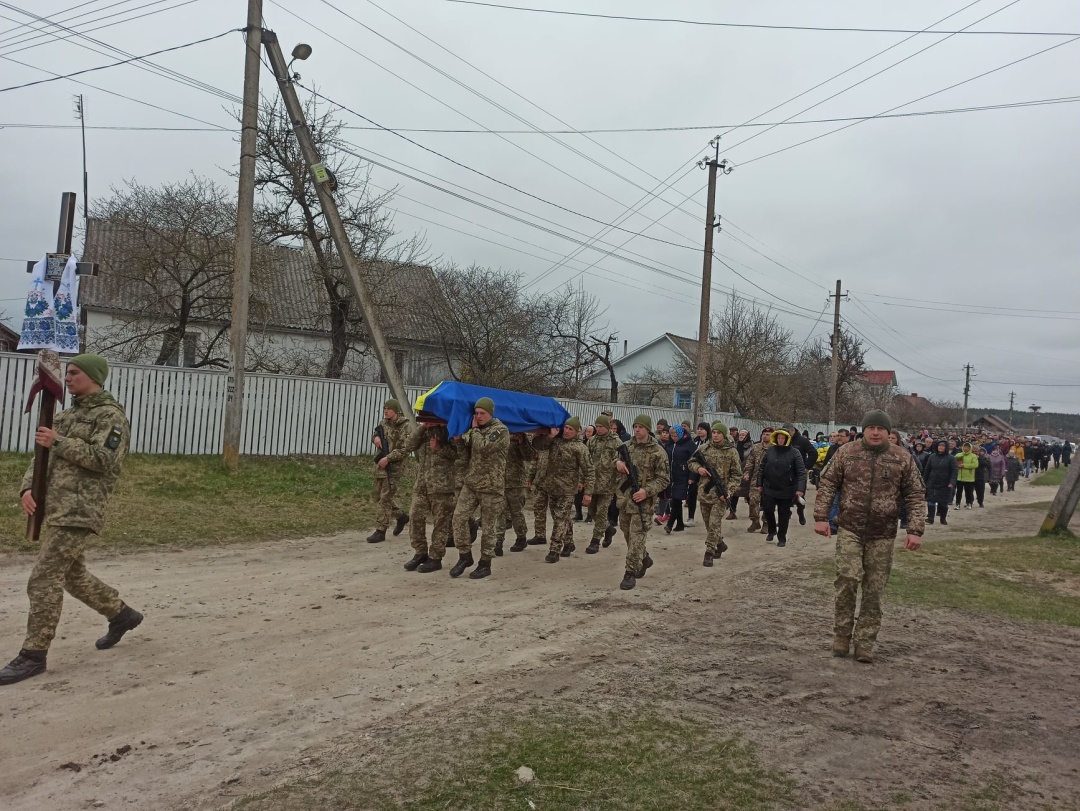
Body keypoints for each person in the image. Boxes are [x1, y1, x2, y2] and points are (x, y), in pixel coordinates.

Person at [2, 354, 142, 686]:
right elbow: (41, 456)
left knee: (43, 578)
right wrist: (26, 488)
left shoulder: (111, 417)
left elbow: (103, 459)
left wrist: (59, 442)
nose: (67, 378)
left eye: (75, 373)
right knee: (72, 575)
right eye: (67, 373)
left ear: (93, 376)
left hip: (80, 508)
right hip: (55, 507)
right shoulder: (64, 415)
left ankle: (33, 655)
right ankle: (121, 615)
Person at [814, 410, 926, 664]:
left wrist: (915, 529)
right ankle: (841, 636)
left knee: (874, 590)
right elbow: (828, 483)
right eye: (871, 428)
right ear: (863, 430)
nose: (876, 432)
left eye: (881, 429)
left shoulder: (901, 458)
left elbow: (916, 494)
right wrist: (821, 517)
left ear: (889, 432)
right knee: (847, 579)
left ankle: (865, 642)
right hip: (850, 528)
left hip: (883, 534)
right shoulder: (847, 453)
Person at [449, 397, 509, 579]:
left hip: (491, 487)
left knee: (488, 527)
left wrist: (473, 429)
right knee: (458, 518)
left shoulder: (500, 431)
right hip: (472, 484)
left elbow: (483, 447)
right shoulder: (475, 431)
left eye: (482, 413)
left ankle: (485, 563)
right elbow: (466, 455)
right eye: (476, 413)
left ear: (491, 413)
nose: (478, 416)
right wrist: (459, 441)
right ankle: (465, 556)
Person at [614, 415, 670, 591]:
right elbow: (614, 459)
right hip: (625, 500)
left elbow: (664, 479)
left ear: (648, 429)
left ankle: (630, 573)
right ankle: (644, 558)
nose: (637, 430)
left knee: (637, 537)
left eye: (640, 427)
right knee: (627, 534)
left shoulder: (658, 452)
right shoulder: (626, 447)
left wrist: (646, 491)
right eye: (635, 426)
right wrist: (618, 463)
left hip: (643, 503)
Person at [531, 417, 595, 561]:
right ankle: (569, 543)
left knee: (559, 518)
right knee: (562, 517)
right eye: (565, 428)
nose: (566, 431)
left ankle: (554, 549)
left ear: (577, 431)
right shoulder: (555, 441)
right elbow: (537, 445)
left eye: (570, 429)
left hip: (567, 489)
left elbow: (589, 471)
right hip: (551, 487)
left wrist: (588, 493)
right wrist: (551, 435)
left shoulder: (580, 448)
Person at [403, 422, 459, 572]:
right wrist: (423, 427)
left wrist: (440, 447)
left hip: (442, 486)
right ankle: (420, 552)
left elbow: (459, 453)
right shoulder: (424, 431)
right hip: (422, 484)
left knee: (441, 523)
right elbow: (408, 445)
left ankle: (435, 558)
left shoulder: (450, 429)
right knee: (415, 516)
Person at [688, 422, 743, 566]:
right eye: (714, 432)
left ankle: (709, 552)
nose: (716, 435)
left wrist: (729, 491)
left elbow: (737, 475)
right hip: (705, 492)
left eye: (719, 432)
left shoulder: (731, 452)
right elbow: (691, 462)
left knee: (714, 523)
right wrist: (698, 468)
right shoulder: (704, 448)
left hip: (721, 495)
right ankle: (720, 544)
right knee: (708, 524)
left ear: (724, 435)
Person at [368, 399, 412, 544]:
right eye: (384, 408)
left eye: (389, 408)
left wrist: (389, 458)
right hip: (381, 465)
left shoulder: (405, 426)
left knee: (385, 498)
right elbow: (376, 432)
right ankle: (401, 517)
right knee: (378, 496)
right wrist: (375, 438)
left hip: (394, 468)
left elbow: (405, 449)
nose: (386, 411)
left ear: (396, 410)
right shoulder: (383, 423)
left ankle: (380, 530)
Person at [755, 428, 807, 547]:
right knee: (767, 510)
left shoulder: (795, 452)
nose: (780, 440)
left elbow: (800, 472)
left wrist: (800, 489)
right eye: (778, 438)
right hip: (769, 486)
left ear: (787, 439)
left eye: (783, 438)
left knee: (784, 514)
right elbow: (762, 467)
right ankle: (772, 529)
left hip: (786, 488)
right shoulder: (770, 451)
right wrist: (759, 483)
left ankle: (782, 537)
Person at [584, 415, 622, 554]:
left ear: (607, 427)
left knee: (601, 512)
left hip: (607, 485)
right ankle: (608, 529)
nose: (598, 429)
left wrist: (617, 483)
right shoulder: (592, 441)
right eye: (597, 426)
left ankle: (595, 541)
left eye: (601, 427)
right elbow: (586, 461)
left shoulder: (616, 442)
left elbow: (620, 462)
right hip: (593, 483)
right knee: (592, 511)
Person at [500, 432, 536, 555]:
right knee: (499, 512)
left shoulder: (519, 435)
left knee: (516, 512)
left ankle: (521, 538)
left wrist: (522, 441)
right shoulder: (497, 433)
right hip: (499, 480)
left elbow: (530, 456)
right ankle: (498, 542)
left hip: (516, 481)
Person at [741, 427, 773, 534]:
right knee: (753, 500)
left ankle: (766, 523)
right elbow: (750, 461)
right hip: (756, 479)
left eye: (768, 434)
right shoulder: (756, 447)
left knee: (769, 503)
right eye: (764, 434)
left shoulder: (775, 448)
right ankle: (755, 521)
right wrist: (746, 473)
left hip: (770, 480)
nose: (765, 436)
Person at [782, 422, 815, 526]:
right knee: (784, 496)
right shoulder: (782, 440)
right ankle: (785, 516)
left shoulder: (802, 441)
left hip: (799, 473)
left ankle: (800, 513)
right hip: (785, 473)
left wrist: (807, 467)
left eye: (788, 432)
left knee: (799, 495)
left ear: (793, 430)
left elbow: (813, 453)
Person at [664, 425, 695, 534]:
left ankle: (670, 524)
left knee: (677, 499)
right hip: (672, 476)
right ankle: (680, 524)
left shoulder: (689, 445)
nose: (674, 437)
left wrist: (692, 477)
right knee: (674, 500)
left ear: (681, 434)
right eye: (671, 435)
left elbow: (694, 461)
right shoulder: (670, 444)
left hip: (684, 476)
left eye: (676, 435)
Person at [923, 439, 957, 525]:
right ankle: (930, 518)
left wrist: (952, 482)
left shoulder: (951, 458)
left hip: (945, 483)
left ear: (946, 448)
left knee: (944, 503)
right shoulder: (932, 456)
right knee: (931, 501)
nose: (941, 447)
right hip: (932, 482)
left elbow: (954, 471)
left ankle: (943, 518)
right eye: (939, 445)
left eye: (943, 446)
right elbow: (927, 470)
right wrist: (924, 481)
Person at [684, 422, 711, 528]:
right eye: (698, 428)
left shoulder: (711, 442)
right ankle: (690, 518)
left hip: (708, 473)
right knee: (692, 495)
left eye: (702, 429)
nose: (699, 430)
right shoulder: (694, 442)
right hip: (695, 471)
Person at [955, 442, 978, 509]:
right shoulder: (958, 455)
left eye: (968, 447)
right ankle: (957, 504)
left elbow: (975, 465)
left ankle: (969, 503)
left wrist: (964, 465)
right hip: (959, 477)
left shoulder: (973, 456)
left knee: (969, 492)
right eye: (965, 447)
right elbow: (953, 462)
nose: (966, 448)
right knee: (958, 492)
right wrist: (957, 465)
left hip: (969, 477)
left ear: (970, 448)